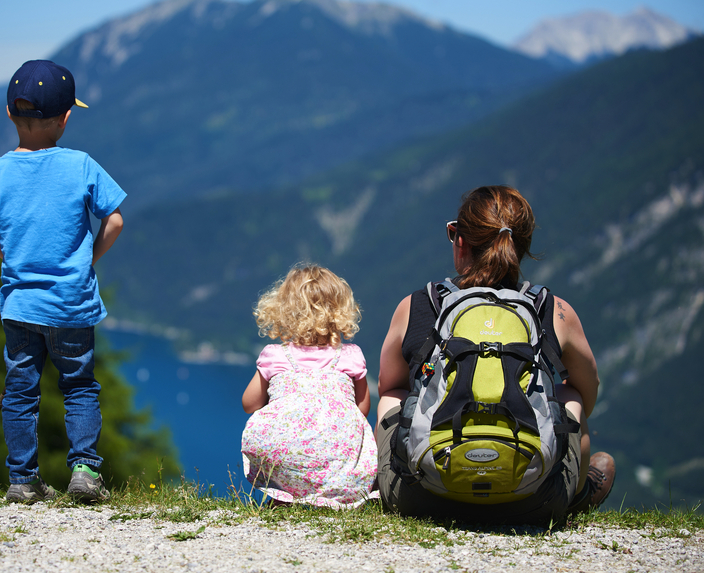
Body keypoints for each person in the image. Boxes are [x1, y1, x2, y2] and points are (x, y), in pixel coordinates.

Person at [375, 185, 615, 524]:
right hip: (532, 502)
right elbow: (590, 387)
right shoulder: (553, 310)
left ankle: (390, 479)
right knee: (571, 393)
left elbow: (389, 383)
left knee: (392, 397)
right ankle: (573, 492)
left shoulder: (418, 305)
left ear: (461, 242)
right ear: (522, 247)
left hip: (422, 498)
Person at [0, 60, 126, 503]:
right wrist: (87, 258)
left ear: (10, 115)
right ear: (65, 118)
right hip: (71, 304)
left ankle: (22, 479)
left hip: (19, 305)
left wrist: (12, 258)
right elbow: (114, 221)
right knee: (78, 385)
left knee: (20, 390)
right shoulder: (81, 165)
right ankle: (85, 472)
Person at [240, 264, 378, 508]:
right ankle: (333, 494)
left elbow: (249, 404)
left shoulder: (275, 355)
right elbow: (362, 409)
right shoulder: (351, 356)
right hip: (338, 467)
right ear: (340, 311)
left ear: (284, 310)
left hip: (286, 461)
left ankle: (288, 491)